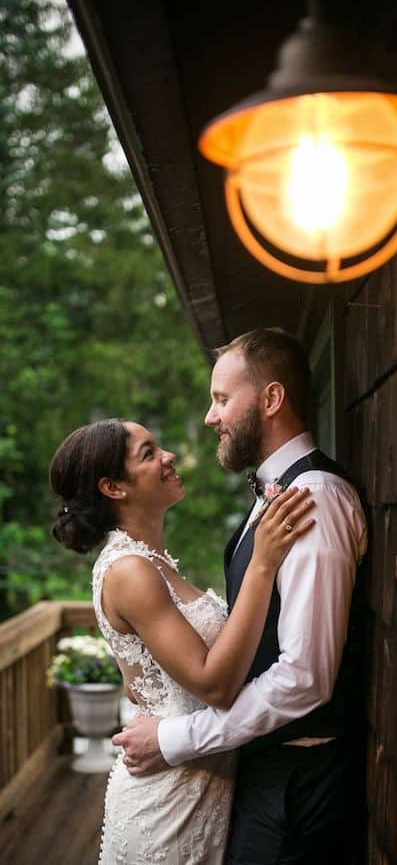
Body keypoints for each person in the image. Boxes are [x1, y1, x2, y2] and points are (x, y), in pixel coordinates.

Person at [115, 328, 368, 865]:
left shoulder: (314, 498)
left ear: (271, 399)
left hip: (299, 785)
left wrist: (176, 738)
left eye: (222, 399)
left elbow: (305, 677)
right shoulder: (277, 492)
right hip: (265, 772)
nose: (211, 417)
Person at [49, 416, 314, 865]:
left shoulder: (150, 562)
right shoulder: (129, 570)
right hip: (168, 806)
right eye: (149, 454)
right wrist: (263, 565)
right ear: (114, 487)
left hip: (203, 784)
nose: (169, 457)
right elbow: (213, 685)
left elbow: (144, 680)